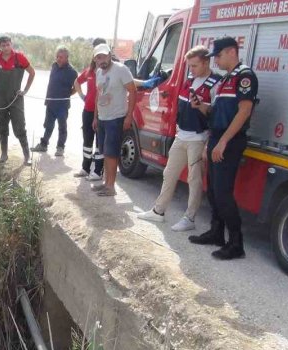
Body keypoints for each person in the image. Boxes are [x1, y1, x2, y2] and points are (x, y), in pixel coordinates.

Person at [137, 46, 221, 231]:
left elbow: (217, 116)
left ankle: (189, 218)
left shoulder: (216, 84)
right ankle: (158, 211)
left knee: (194, 179)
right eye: (189, 66)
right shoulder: (189, 81)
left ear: (206, 62)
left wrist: (207, 140)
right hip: (181, 136)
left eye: (194, 66)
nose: (191, 70)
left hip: (198, 139)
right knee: (169, 173)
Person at [188, 37, 258, 260]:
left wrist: (224, 141)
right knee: (214, 191)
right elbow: (216, 114)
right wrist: (200, 106)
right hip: (217, 137)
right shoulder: (225, 79)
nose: (215, 60)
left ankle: (236, 244)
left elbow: (244, 111)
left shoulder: (245, 76)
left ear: (231, 52)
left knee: (224, 193)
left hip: (230, 140)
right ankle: (216, 232)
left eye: (217, 56)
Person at [90, 43, 136, 197]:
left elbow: (133, 91)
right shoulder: (99, 73)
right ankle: (106, 183)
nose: (101, 60)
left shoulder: (121, 70)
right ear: (95, 60)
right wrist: (95, 117)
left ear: (110, 55)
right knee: (104, 152)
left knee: (112, 153)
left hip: (116, 118)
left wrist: (129, 116)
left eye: (103, 56)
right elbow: (98, 95)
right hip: (102, 118)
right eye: (98, 58)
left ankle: (111, 186)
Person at [0, 36, 35, 165]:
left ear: (11, 44)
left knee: (19, 127)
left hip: (15, 98)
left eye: (8, 45)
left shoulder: (19, 58)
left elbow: (32, 72)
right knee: (1, 126)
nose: (6, 47)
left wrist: (25, 90)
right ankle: (4, 153)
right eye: (3, 45)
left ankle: (26, 155)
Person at [31, 46, 78, 157]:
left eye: (61, 57)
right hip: (50, 103)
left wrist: (67, 94)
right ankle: (43, 145)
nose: (58, 59)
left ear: (67, 57)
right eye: (57, 56)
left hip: (62, 105)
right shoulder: (54, 66)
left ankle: (60, 148)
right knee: (48, 125)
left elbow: (76, 88)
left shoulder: (72, 72)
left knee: (62, 127)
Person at [72, 39, 106, 180]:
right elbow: (77, 82)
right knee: (87, 141)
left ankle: (98, 171)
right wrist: (82, 96)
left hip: (102, 112)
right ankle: (85, 168)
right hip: (88, 111)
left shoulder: (108, 70)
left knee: (100, 143)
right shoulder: (90, 70)